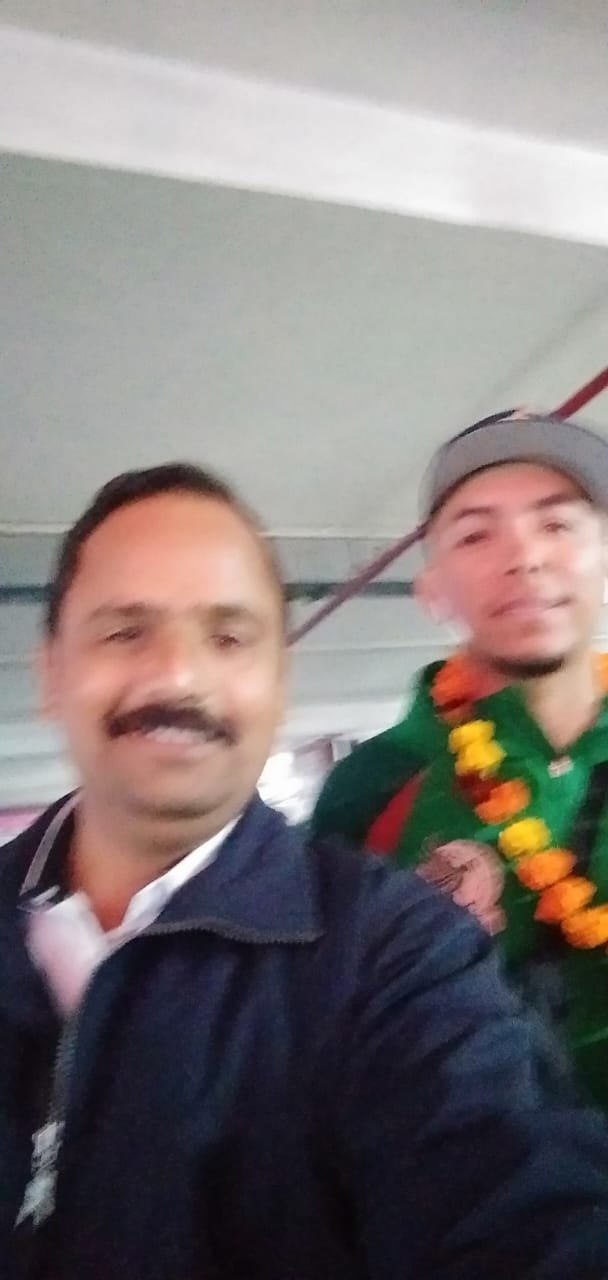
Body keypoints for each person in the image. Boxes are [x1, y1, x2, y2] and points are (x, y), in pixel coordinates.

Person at [3, 462, 608, 1280]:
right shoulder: (383, 788)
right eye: (124, 632)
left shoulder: (396, 949)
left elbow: (506, 1188)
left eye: (228, 637)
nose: (177, 675)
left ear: (280, 686)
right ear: (48, 673)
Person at [313, 410, 608, 1108]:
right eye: (476, 534)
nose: (525, 557)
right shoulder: (372, 786)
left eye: (556, 524)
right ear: (433, 591)